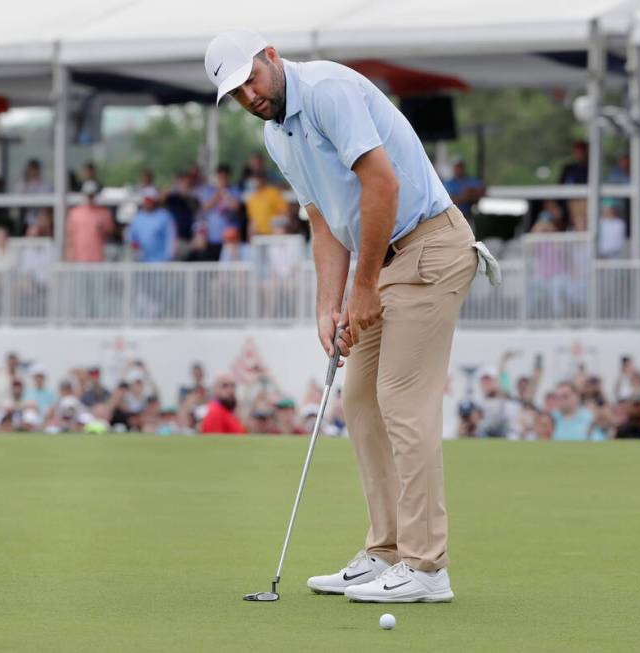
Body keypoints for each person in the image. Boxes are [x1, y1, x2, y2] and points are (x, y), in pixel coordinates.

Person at [207, 28, 491, 603]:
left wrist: (363, 290)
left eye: (251, 80)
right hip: (380, 260)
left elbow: (381, 185)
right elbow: (323, 222)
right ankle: (386, 550)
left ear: (270, 57)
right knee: (359, 399)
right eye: (236, 92)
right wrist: (328, 306)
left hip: (429, 247)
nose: (249, 96)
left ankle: (427, 567)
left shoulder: (328, 90)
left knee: (402, 400)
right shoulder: (277, 137)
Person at [197, 164, 242, 260]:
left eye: (225, 177)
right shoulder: (209, 190)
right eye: (220, 177)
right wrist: (218, 194)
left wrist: (225, 194)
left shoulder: (234, 190)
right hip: (213, 236)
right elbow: (205, 207)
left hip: (229, 237)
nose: (222, 179)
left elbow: (236, 207)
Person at [65, 180, 114, 262]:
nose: (90, 197)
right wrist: (70, 255)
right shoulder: (75, 213)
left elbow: (110, 232)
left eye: (92, 195)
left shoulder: (104, 213)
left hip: (98, 258)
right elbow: (70, 236)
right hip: (79, 258)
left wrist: (102, 230)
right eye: (88, 195)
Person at [127, 188, 176, 262]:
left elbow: (171, 238)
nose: (148, 203)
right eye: (146, 200)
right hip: (142, 262)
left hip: (161, 262)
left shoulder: (164, 216)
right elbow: (132, 238)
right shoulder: (137, 218)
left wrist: (169, 258)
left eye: (150, 200)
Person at [244, 170, 288, 236]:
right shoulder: (252, 199)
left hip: (274, 235)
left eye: (260, 178)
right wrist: (250, 237)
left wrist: (278, 226)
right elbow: (252, 221)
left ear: (264, 179)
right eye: (255, 178)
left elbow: (285, 212)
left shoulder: (273, 192)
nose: (257, 181)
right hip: (259, 236)